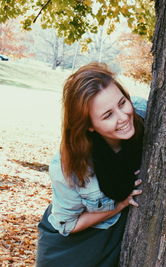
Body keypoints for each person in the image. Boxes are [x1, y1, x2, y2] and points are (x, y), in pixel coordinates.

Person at [36, 62, 147, 267]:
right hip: (70, 249)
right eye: (107, 115)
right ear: (89, 125)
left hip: (112, 239)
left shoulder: (145, 112)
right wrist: (120, 205)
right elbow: (68, 224)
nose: (123, 117)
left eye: (122, 103)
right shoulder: (68, 164)